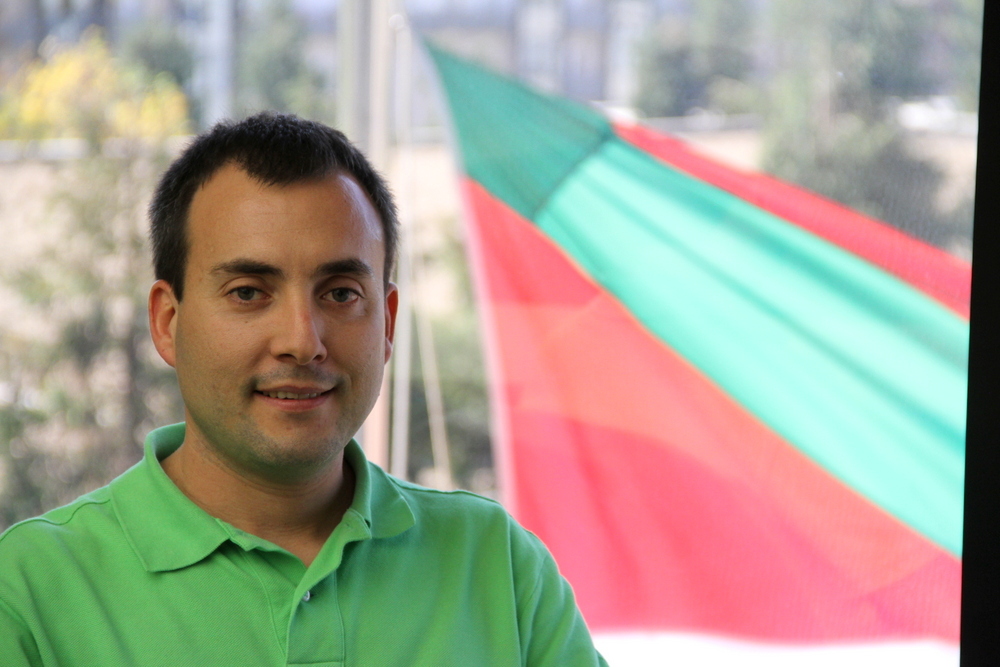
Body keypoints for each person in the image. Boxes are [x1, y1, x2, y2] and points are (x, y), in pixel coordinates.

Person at [0, 112, 607, 666]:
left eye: (341, 293)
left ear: (387, 323)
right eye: (248, 293)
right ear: (168, 322)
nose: (302, 341)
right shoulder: (30, 592)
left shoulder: (499, 570)